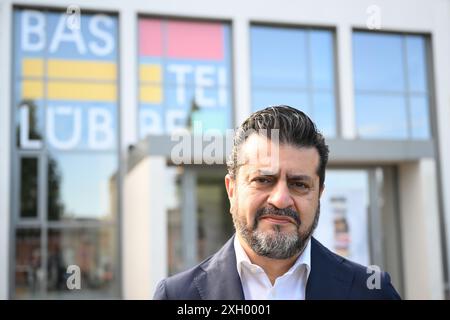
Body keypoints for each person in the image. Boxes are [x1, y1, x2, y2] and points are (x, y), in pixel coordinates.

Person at [153, 105, 401, 300]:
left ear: (319, 194)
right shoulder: (176, 296)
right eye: (263, 180)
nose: (281, 199)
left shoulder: (371, 292)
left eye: (299, 184)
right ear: (232, 191)